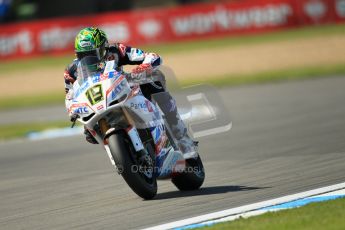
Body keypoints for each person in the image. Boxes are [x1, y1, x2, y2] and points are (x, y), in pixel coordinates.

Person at [64, 27, 196, 154]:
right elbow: (70, 95)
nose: (89, 58)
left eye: (93, 54)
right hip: (96, 102)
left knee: (155, 79)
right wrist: (72, 110)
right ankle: (124, 153)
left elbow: (152, 56)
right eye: (83, 55)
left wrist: (144, 67)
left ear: (104, 48)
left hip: (123, 90)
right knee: (89, 135)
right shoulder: (71, 70)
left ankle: (179, 131)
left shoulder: (116, 51)